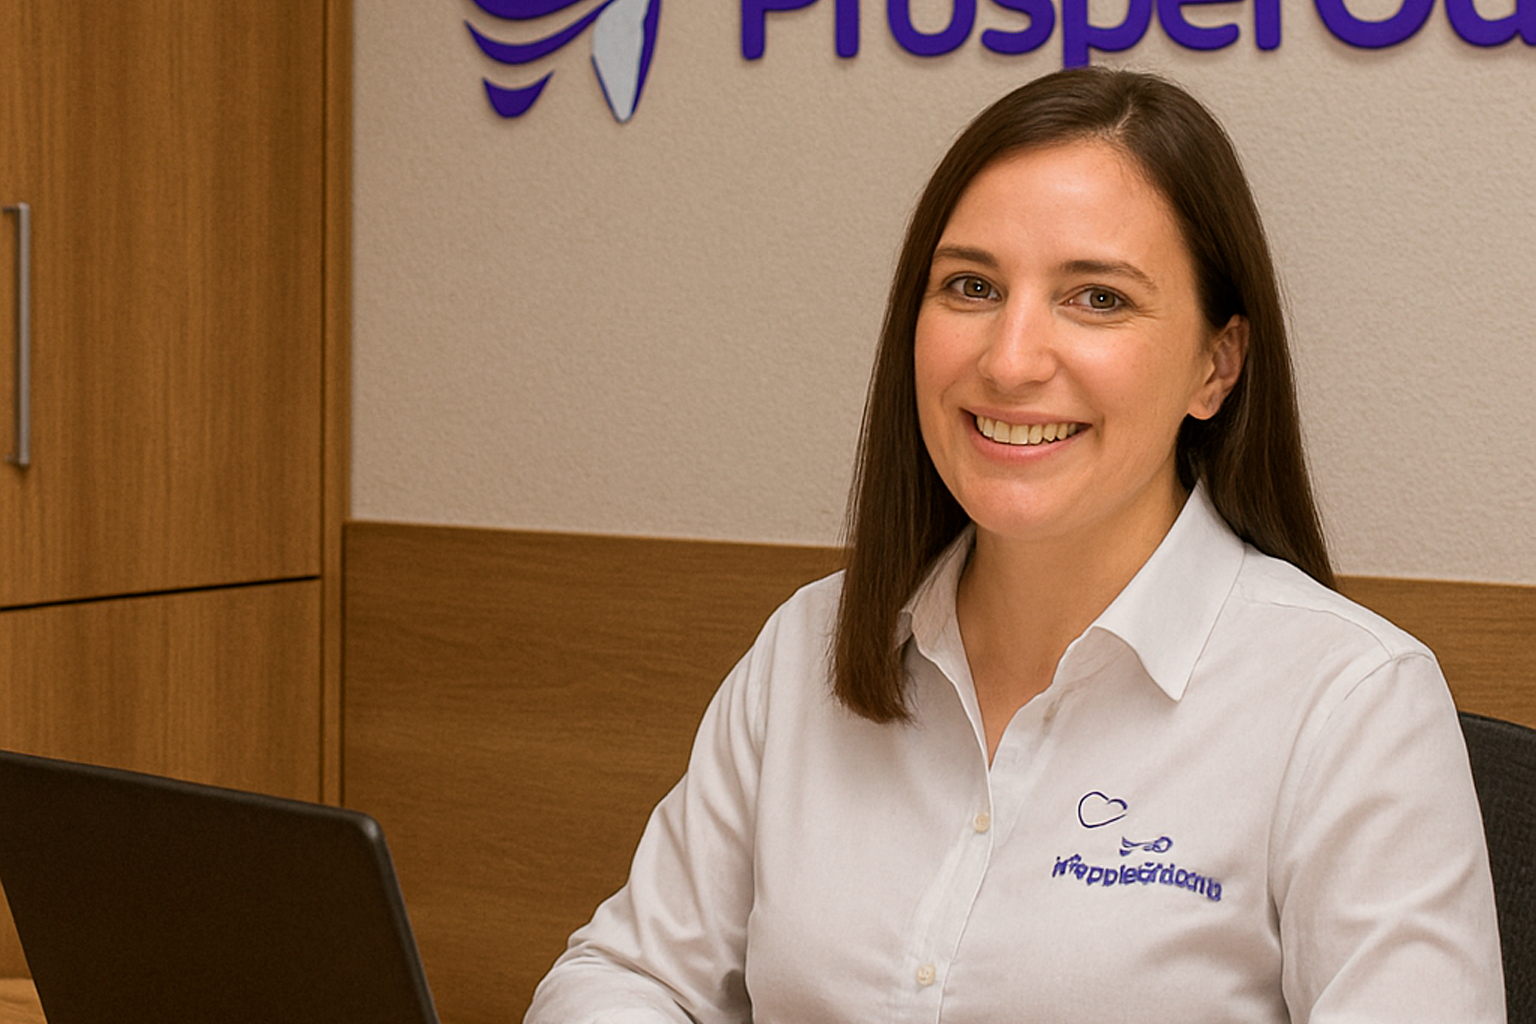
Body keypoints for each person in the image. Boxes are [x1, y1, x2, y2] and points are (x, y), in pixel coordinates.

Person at [525, 67, 1504, 1023]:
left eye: (1098, 297)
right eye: (971, 286)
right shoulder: (807, 647)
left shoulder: (1352, 704)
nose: (1010, 359)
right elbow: (625, 974)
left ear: (1217, 365)